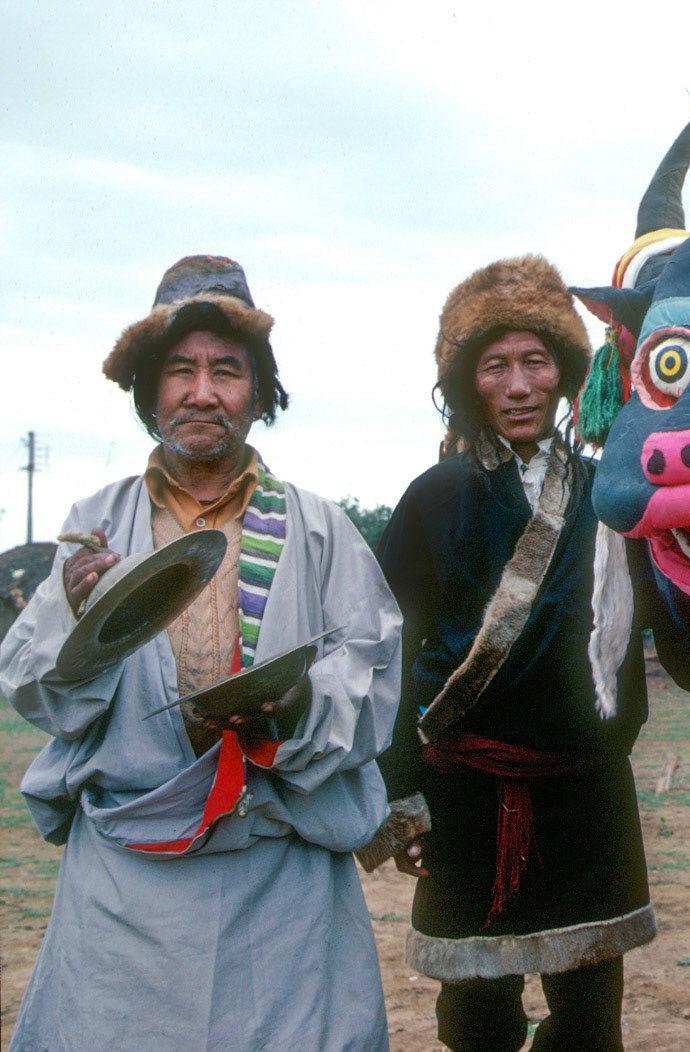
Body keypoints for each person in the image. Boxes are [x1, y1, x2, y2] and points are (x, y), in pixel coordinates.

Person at [0, 255, 402, 1050]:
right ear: (149, 390)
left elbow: (375, 673)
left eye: (227, 371)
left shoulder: (320, 527)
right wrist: (81, 617)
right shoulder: (95, 525)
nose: (202, 392)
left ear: (260, 393)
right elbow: (36, 690)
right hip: (124, 888)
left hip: (278, 872)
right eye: (180, 370)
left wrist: (298, 703)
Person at [369, 255, 652, 1052]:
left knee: (593, 1017)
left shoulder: (612, 492)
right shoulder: (433, 496)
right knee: (475, 1021)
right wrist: (402, 793)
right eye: (497, 366)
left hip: (585, 790)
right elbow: (388, 648)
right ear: (469, 383)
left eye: (535, 361)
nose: (520, 384)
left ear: (564, 374)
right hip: (463, 792)